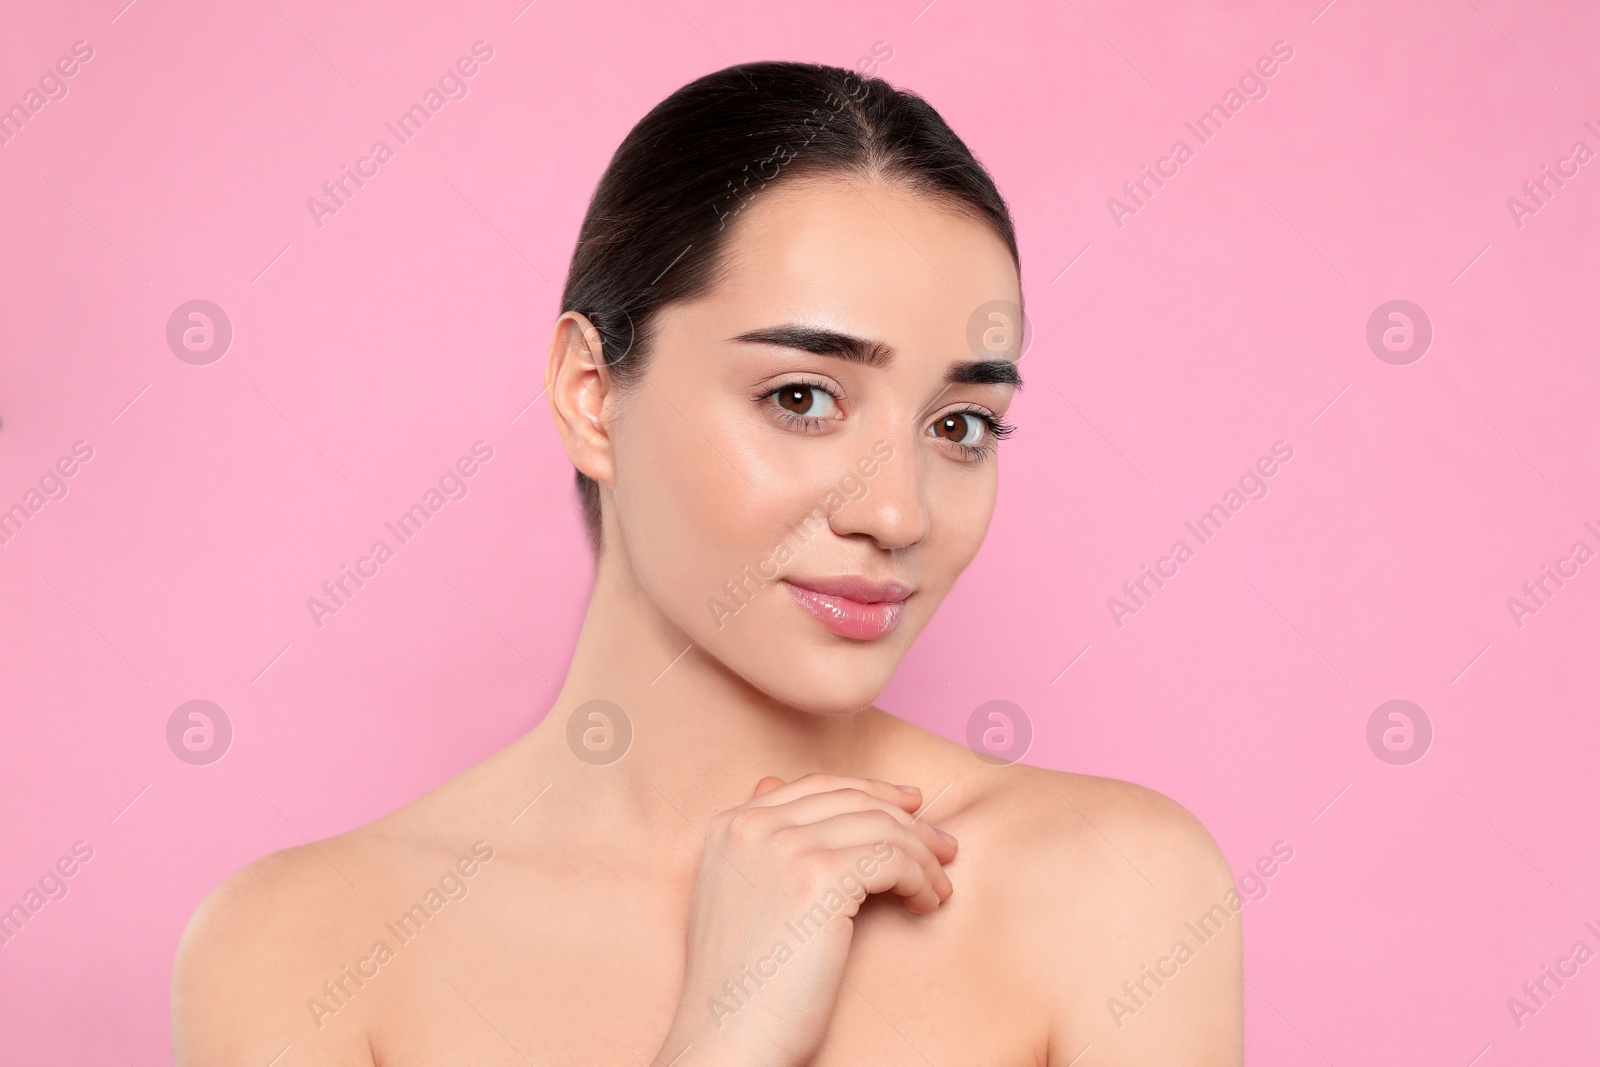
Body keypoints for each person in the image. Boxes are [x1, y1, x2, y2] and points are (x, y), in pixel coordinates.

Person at [172, 60, 1241, 1066]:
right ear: (591, 393)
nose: (897, 508)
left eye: (960, 423)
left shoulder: (1112, 889)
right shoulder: (300, 951)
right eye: (802, 397)